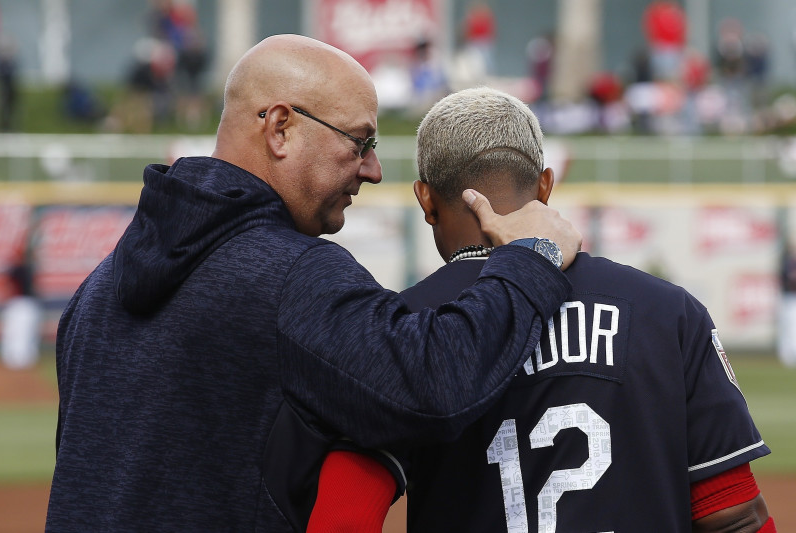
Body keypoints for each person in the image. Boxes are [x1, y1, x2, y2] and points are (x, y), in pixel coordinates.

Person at [45, 35, 582, 532]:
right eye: (359, 142)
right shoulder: (288, 274)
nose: (371, 170)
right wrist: (532, 256)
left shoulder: (99, 288)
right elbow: (434, 383)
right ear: (280, 127)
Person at [307, 87, 777, 532]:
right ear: (546, 186)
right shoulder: (671, 312)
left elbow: (341, 518)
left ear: (426, 200)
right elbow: (733, 516)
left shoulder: (399, 328)